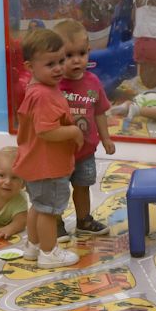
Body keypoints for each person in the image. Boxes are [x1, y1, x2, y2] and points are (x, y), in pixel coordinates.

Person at [14, 27, 84, 269]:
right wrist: (74, 131)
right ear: (30, 67)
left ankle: (33, 246)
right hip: (48, 166)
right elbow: (46, 131)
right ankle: (48, 252)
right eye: (50, 63)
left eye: (61, 61)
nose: (58, 68)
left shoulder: (38, 89)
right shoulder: (44, 95)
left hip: (35, 162)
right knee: (48, 211)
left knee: (38, 206)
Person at [56, 20, 116, 237]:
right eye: (68, 56)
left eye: (81, 53)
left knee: (82, 186)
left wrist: (106, 138)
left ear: (89, 51)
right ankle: (55, 223)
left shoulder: (93, 82)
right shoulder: (53, 85)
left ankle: (84, 220)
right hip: (59, 152)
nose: (76, 60)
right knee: (58, 190)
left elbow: (99, 112)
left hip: (85, 151)